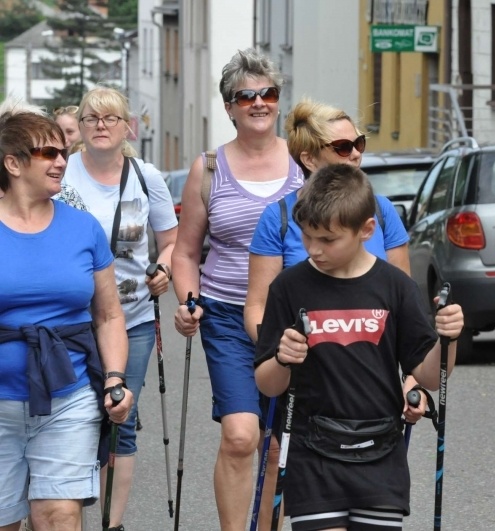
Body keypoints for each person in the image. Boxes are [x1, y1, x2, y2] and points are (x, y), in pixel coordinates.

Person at [243, 98, 424, 526]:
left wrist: (412, 379)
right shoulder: (281, 217)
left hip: (373, 384)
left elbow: (407, 314)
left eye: (358, 143)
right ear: (309, 157)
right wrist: (284, 349)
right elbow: (259, 305)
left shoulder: (381, 212)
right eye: (342, 147)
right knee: (277, 459)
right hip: (307, 382)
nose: (356, 153)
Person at [253, 163, 463, 530]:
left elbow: (429, 374)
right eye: (307, 237)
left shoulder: (396, 287)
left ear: (366, 230)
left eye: (328, 240)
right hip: (312, 450)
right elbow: (267, 384)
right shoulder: (288, 288)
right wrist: (283, 360)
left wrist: (448, 339)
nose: (314, 250)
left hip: (380, 450)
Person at [171, 48, 304, 530]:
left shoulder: (303, 164)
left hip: (293, 318)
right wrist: (187, 301)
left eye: (267, 93)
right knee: (242, 435)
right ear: (228, 106)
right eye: (245, 96)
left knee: (278, 442)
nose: (259, 103)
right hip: (227, 315)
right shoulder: (208, 169)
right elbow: (186, 253)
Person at [0, 98, 132, 530]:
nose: (61, 161)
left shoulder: (83, 227)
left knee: (59, 514)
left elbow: (109, 316)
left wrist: (114, 378)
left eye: (62, 152)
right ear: (13, 164)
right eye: (48, 153)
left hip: (68, 395)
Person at [60, 86, 177, 531]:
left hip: (132, 320)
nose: (101, 126)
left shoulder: (146, 177)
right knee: (66, 422)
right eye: (92, 118)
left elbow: (170, 242)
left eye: (111, 119)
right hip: (67, 322)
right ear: (80, 127)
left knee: (117, 419)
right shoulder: (61, 173)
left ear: (128, 126)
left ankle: (111, 525)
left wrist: (164, 269)